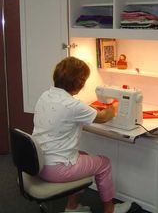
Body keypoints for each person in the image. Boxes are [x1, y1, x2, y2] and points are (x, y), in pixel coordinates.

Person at [32, 56, 131, 213]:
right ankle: (110, 209)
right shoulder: (73, 105)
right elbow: (104, 117)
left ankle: (72, 207)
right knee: (103, 163)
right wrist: (115, 104)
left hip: (37, 162)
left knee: (82, 155)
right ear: (79, 83)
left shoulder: (45, 95)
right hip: (56, 169)